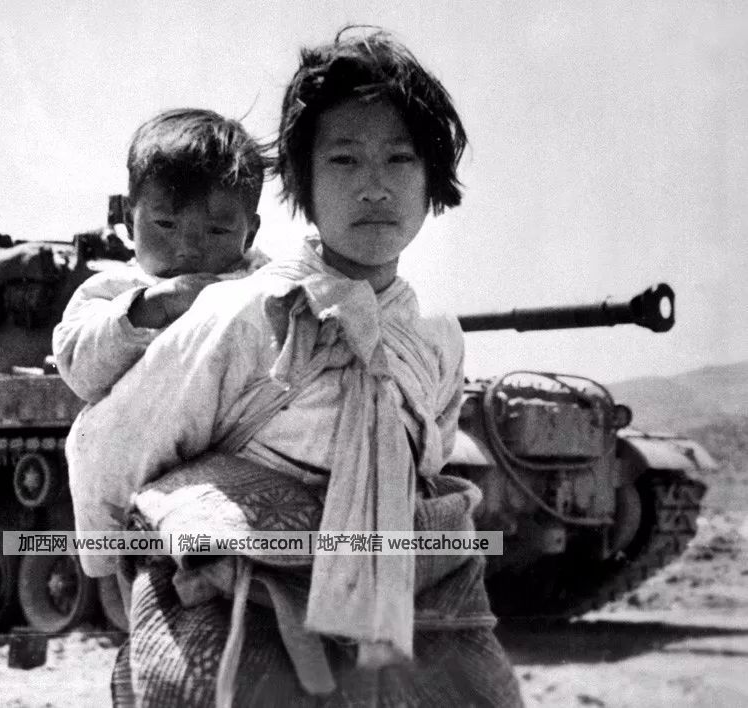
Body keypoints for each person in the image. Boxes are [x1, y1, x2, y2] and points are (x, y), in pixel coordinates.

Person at [71, 29, 523, 707]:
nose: (374, 187)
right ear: (303, 184)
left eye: (400, 159)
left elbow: (429, 454)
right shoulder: (241, 313)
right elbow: (114, 440)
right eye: (343, 160)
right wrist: (110, 565)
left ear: (432, 181)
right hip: (245, 595)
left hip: (403, 589)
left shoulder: (437, 339)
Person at [52, 107, 268, 406]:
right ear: (129, 219)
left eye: (216, 230)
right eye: (166, 224)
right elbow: (78, 370)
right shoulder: (111, 291)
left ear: (250, 234)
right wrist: (151, 308)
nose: (189, 250)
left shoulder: (264, 289)